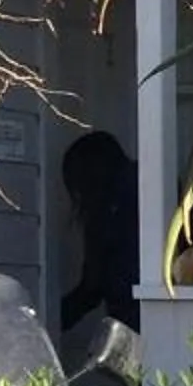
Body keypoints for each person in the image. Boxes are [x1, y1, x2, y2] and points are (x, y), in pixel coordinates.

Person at [59, 129, 140, 335]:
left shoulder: (106, 208)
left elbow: (92, 288)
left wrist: (49, 321)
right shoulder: (157, 183)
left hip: (130, 323)